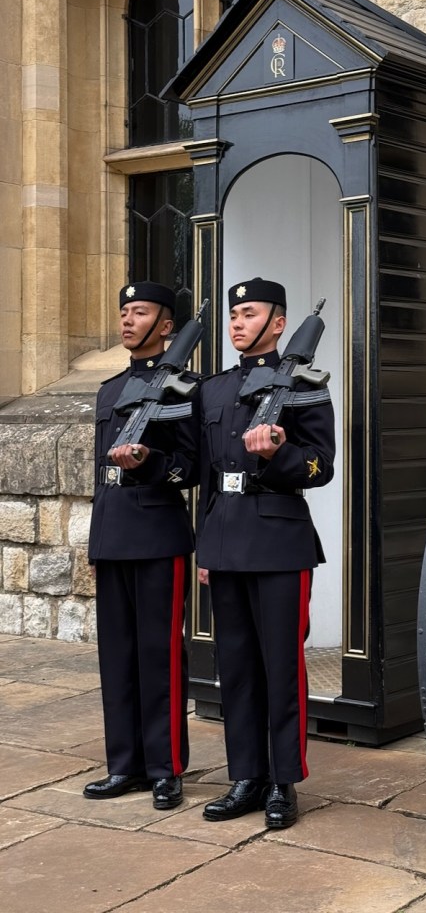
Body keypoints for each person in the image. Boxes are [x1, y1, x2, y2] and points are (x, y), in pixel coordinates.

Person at [197, 278, 335, 829]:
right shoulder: (212, 390)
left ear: (278, 323)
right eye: (234, 315)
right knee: (235, 667)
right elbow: (207, 477)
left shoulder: (303, 384)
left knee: (281, 667)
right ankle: (246, 777)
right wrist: (205, 547)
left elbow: (321, 465)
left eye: (249, 313)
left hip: (279, 540)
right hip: (225, 541)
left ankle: (283, 781)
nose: (237, 322)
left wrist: (281, 453)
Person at [84, 281, 201, 811]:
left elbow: (191, 467)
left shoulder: (185, 388)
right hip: (114, 535)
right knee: (117, 657)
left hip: (157, 534)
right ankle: (124, 764)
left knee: (160, 655)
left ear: (166, 325)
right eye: (125, 311)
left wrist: (149, 463)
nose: (128, 320)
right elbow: (99, 476)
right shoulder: (109, 390)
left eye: (140, 312)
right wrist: (96, 544)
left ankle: (165, 767)